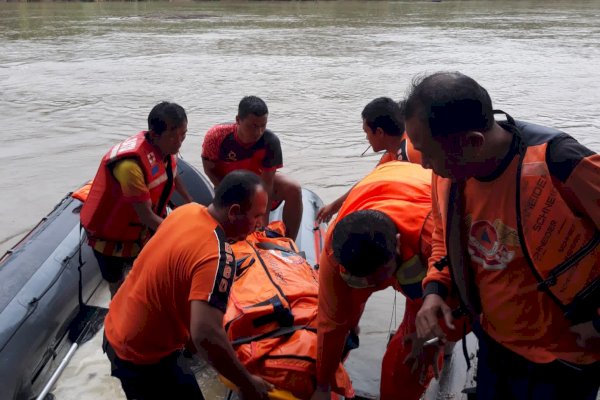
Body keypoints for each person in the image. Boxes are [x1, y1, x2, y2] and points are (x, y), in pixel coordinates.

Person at [405, 72, 600, 400]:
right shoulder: (449, 174)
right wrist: (435, 292)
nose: (423, 165)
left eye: (429, 153)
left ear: (473, 143)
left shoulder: (560, 163)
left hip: (566, 359)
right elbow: (443, 237)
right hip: (495, 346)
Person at [103, 170, 273, 400]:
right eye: (257, 216)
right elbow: (205, 332)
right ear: (234, 212)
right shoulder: (218, 256)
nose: (260, 223)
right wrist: (246, 382)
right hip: (142, 357)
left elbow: (176, 279)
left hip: (115, 329)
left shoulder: (186, 212)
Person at [311, 161, 464, 400]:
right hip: (379, 188)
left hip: (418, 205)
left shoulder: (434, 238)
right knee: (343, 322)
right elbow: (330, 326)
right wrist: (322, 385)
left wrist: (436, 339)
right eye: (364, 282)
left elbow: (466, 304)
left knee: (409, 364)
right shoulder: (336, 254)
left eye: (380, 277)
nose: (374, 287)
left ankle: (445, 349)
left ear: (398, 243)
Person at [81, 101, 193, 297]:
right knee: (117, 286)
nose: (179, 142)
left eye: (183, 135)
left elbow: (172, 173)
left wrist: (191, 203)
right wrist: (181, 235)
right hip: (111, 238)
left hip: (141, 233)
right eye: (173, 136)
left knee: (147, 274)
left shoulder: (164, 149)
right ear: (155, 134)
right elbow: (146, 216)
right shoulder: (130, 167)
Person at [201, 95, 303, 240]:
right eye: (253, 126)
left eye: (263, 126)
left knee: (294, 188)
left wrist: (263, 221)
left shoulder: (270, 142)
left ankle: (289, 240)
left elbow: (267, 183)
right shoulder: (217, 136)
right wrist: (223, 188)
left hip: (258, 182)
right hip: (230, 183)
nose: (258, 132)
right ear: (238, 120)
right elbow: (209, 168)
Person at [316, 97, 421, 223]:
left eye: (367, 132)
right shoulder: (392, 153)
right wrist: (334, 207)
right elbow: (367, 183)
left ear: (380, 132)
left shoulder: (408, 153)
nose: (367, 138)